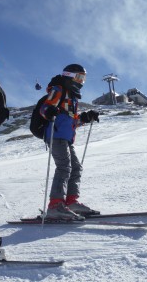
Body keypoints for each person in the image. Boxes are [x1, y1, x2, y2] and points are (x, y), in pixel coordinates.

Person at [39, 64, 100, 220]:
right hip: (55, 134)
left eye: (83, 78)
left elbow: (72, 122)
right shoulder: (58, 90)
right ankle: (55, 205)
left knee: (76, 168)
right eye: (79, 77)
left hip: (65, 138)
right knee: (64, 166)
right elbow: (45, 108)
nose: (81, 82)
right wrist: (49, 111)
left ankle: (71, 202)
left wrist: (85, 118)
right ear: (70, 76)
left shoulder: (72, 98)